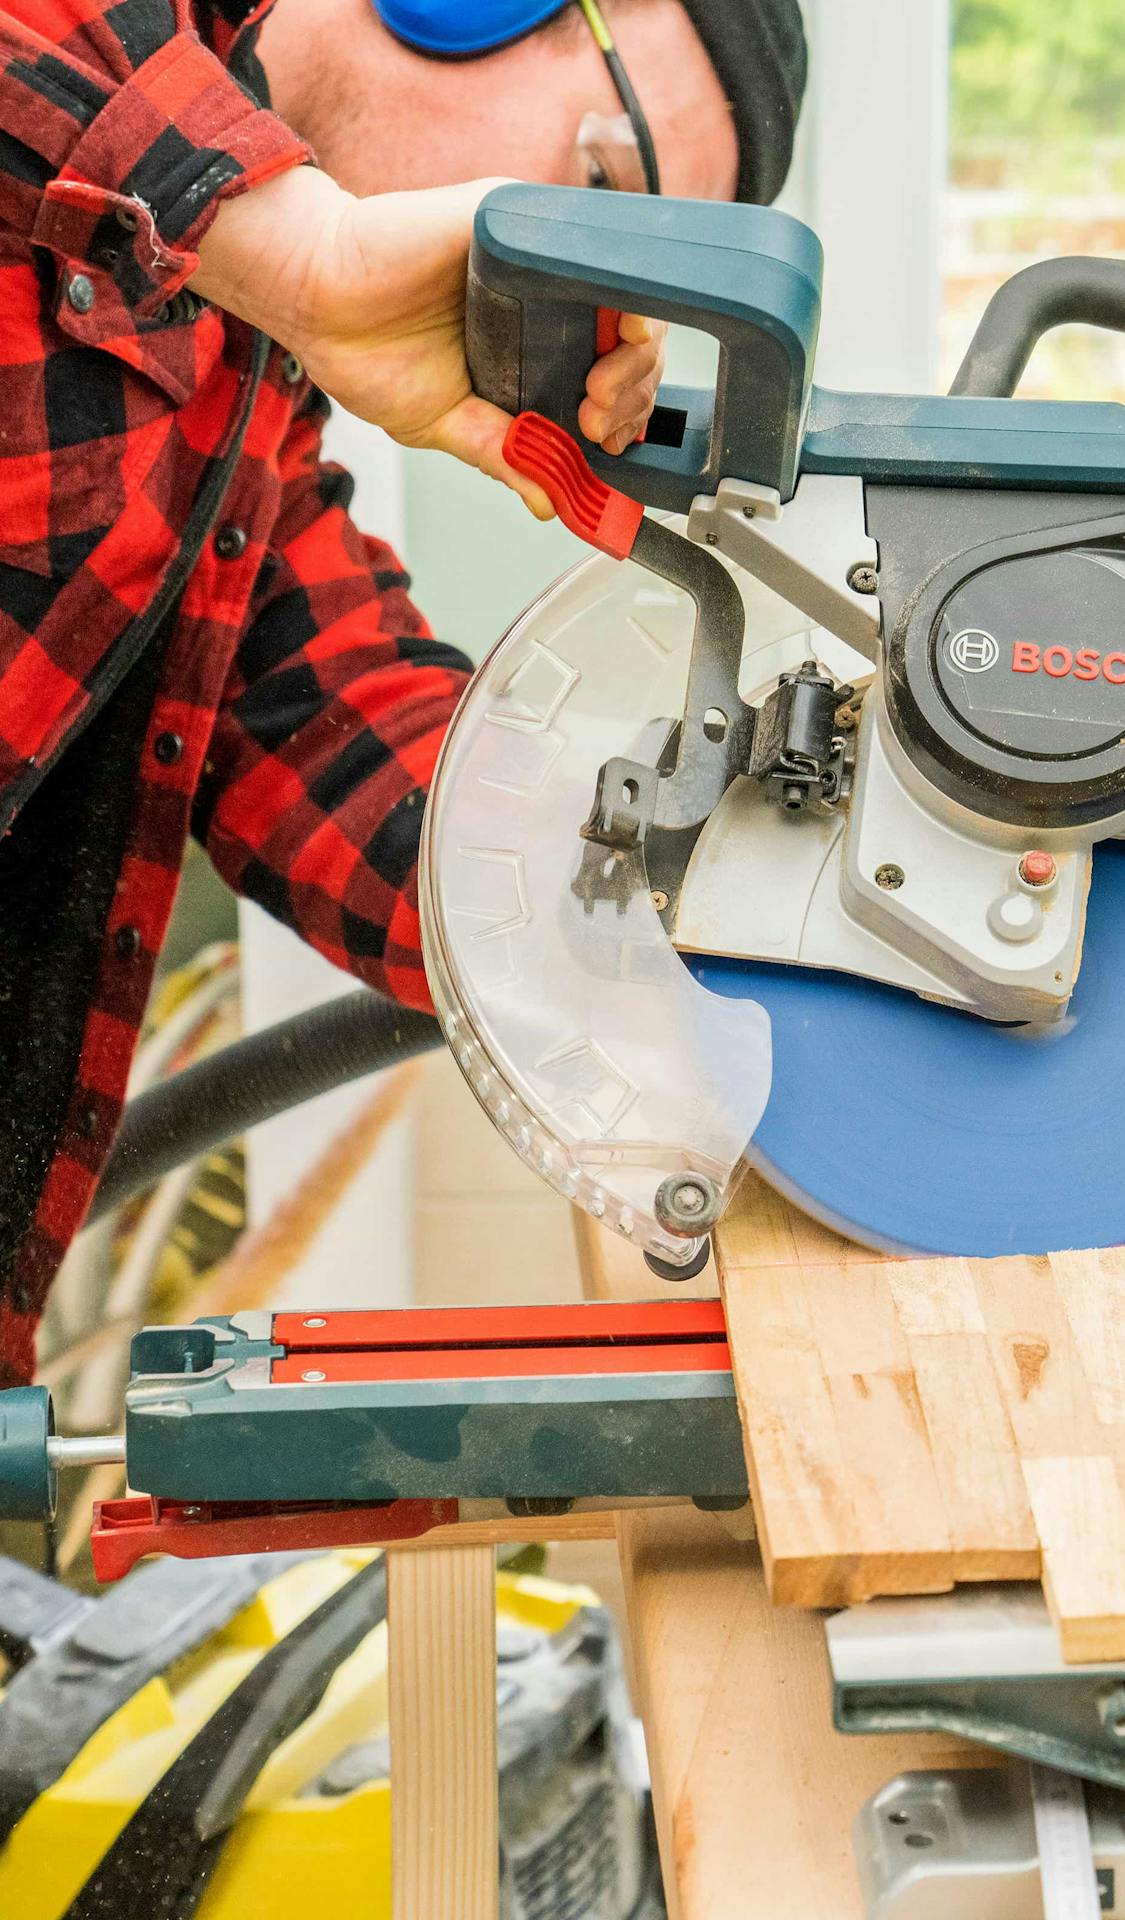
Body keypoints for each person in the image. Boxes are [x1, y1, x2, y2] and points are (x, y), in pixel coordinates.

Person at [0, 0, 808, 1386]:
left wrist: (699, 905)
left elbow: (315, 717)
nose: (575, 304)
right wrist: (294, 245)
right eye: (603, 186)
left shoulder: (234, 377)